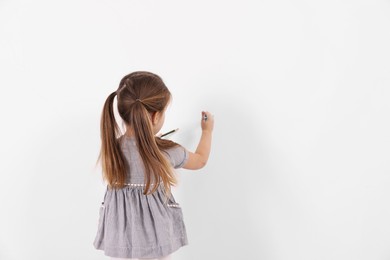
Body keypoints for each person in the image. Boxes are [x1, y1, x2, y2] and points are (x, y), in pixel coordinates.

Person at [93, 71, 214, 260]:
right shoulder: (165, 152)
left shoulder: (112, 148)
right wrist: (207, 131)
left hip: (121, 242)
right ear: (155, 117)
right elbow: (200, 160)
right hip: (155, 245)